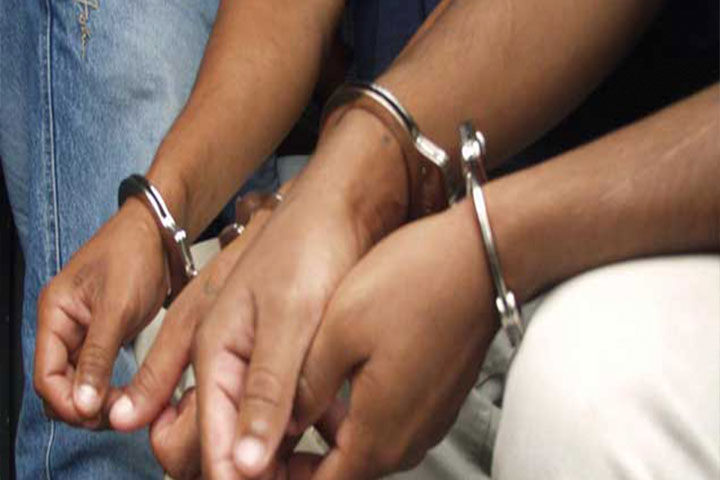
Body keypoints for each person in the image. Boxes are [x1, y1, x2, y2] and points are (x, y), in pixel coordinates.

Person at [29, 0, 718, 479]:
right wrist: (163, 211)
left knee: (588, 397)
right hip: (425, 189)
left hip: (625, 222)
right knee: (194, 361)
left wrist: (475, 239)